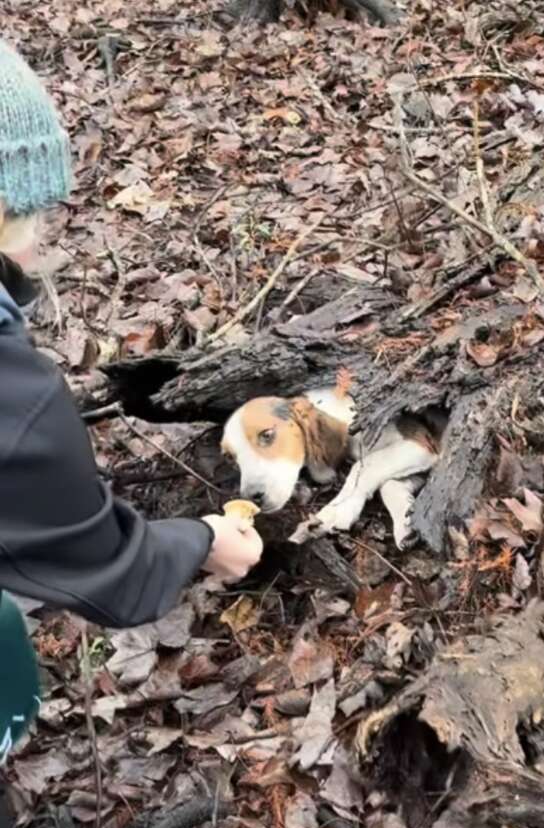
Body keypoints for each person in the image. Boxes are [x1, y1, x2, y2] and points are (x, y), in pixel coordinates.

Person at [0, 40, 264, 772]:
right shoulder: (16, 399)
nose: (37, 244)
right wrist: (205, 539)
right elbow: (106, 565)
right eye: (27, 217)